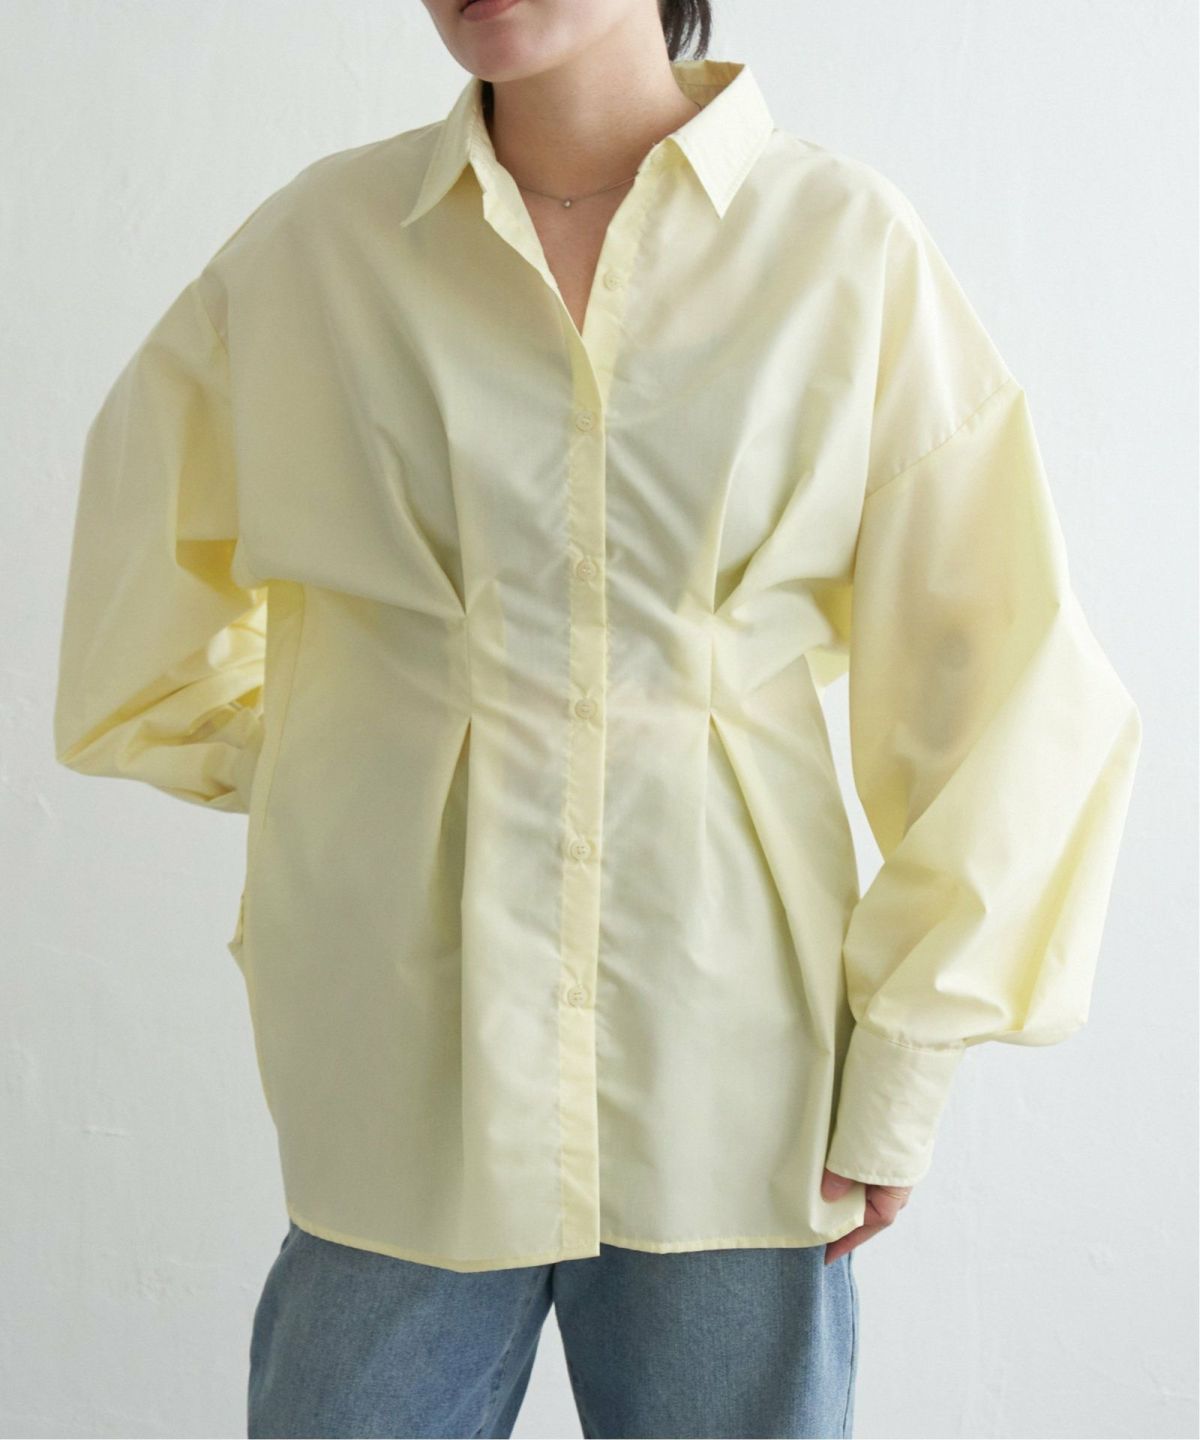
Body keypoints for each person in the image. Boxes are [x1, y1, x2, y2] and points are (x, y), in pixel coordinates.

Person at [52, 1, 1143, 1436]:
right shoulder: (317, 250)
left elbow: (1003, 684)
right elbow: (136, 624)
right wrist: (352, 768)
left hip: (733, 1080)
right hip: (398, 1078)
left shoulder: (839, 247)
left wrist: (903, 1067)